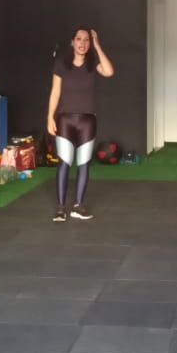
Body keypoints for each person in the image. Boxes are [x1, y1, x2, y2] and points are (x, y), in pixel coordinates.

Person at [47, 28, 114, 222]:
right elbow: (55, 92)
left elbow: (109, 71)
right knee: (64, 163)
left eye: (86, 40)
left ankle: (78, 206)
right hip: (65, 121)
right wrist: (50, 117)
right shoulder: (61, 63)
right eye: (79, 39)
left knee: (83, 164)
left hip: (87, 122)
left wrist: (98, 46)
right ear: (72, 42)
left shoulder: (93, 64)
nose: (82, 43)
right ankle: (60, 208)